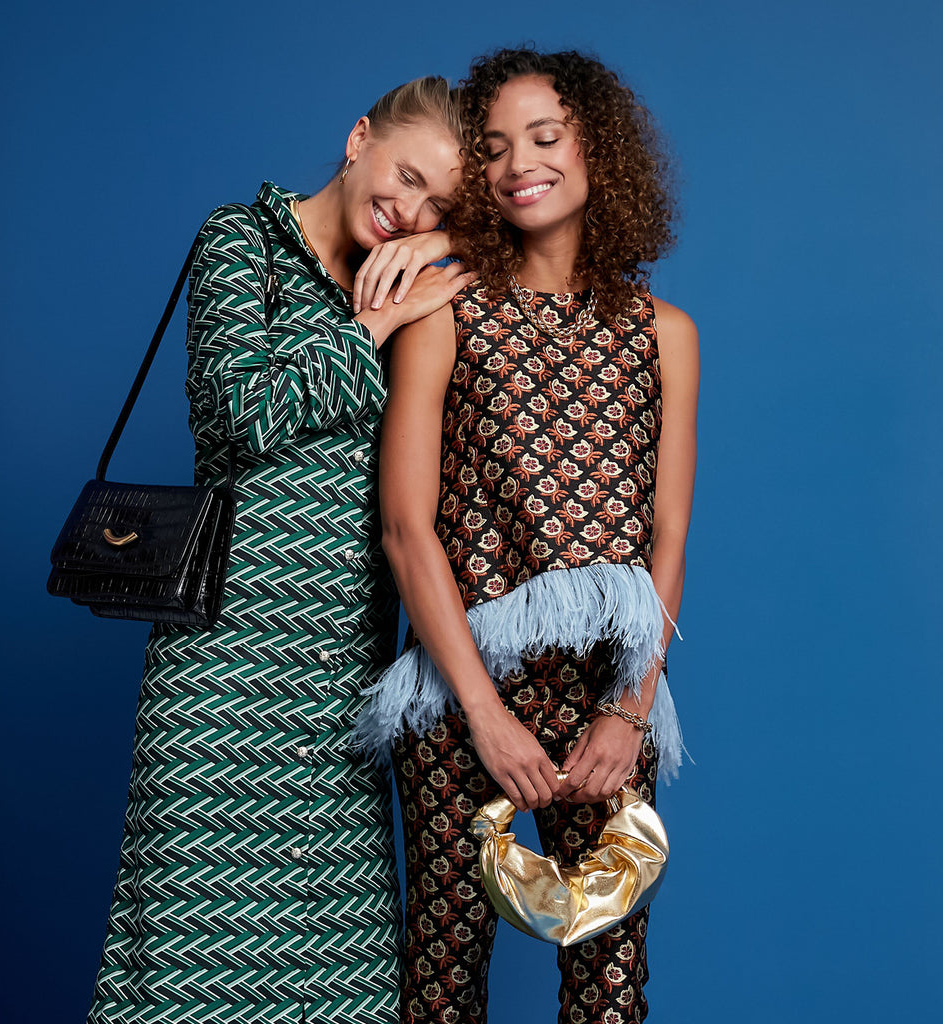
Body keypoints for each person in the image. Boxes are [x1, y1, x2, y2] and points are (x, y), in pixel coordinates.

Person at [85, 76, 474, 1024]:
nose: (408, 207)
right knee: (183, 964)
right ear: (358, 139)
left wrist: (446, 243)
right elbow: (240, 413)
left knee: (338, 981)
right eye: (405, 176)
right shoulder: (242, 239)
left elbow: (526, 254)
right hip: (219, 674)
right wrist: (376, 325)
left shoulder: (419, 264)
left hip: (342, 676)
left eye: (437, 202)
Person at [355, 49, 699, 1023]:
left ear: (597, 149)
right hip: (466, 696)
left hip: (606, 695)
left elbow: (668, 533)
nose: (518, 164)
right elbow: (405, 527)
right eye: (494, 147)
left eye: (544, 138)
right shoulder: (447, 315)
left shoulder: (663, 330)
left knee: (610, 983)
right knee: (443, 974)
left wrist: (628, 712)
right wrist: (483, 714)